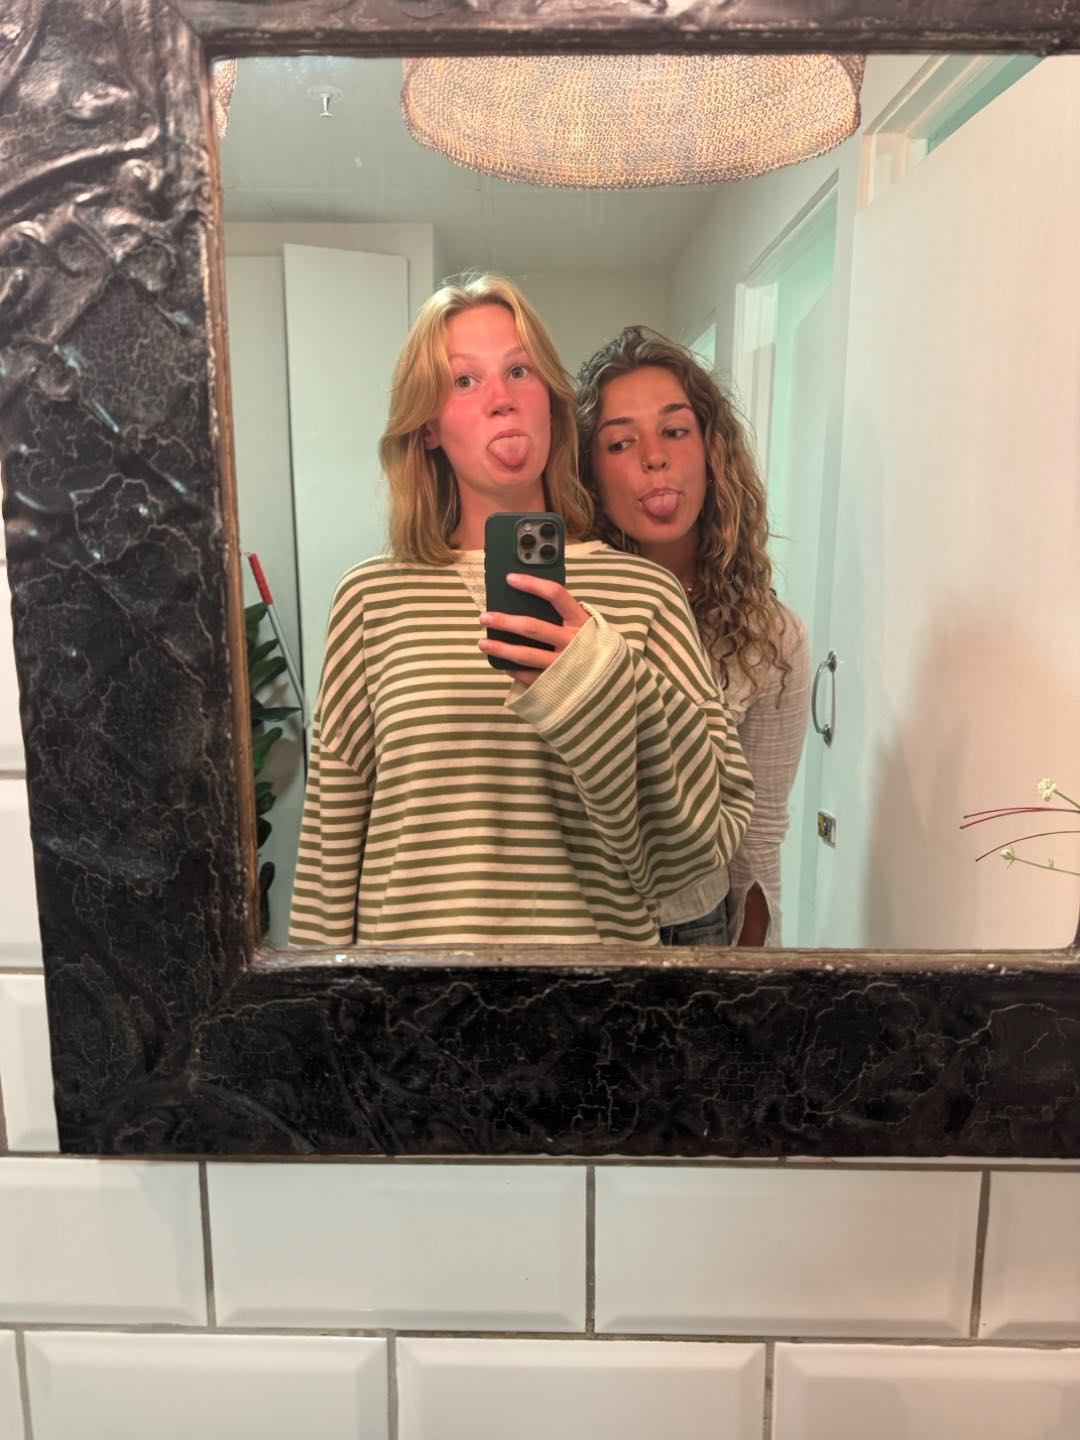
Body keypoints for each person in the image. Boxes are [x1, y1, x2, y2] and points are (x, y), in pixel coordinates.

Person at [288, 276, 755, 948]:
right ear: (428, 426)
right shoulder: (370, 601)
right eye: (464, 381)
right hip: (413, 999)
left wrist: (595, 677)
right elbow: (329, 849)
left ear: (551, 403)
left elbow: (699, 847)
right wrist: (318, 1002)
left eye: (519, 370)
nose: (501, 398)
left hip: (594, 995)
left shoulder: (647, 595)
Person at [576, 326, 811, 947]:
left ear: (711, 450)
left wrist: (755, 980)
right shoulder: (563, 608)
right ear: (589, 473)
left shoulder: (770, 638)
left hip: (694, 929)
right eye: (621, 442)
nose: (654, 457)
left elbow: (758, 832)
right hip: (571, 921)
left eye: (675, 431)